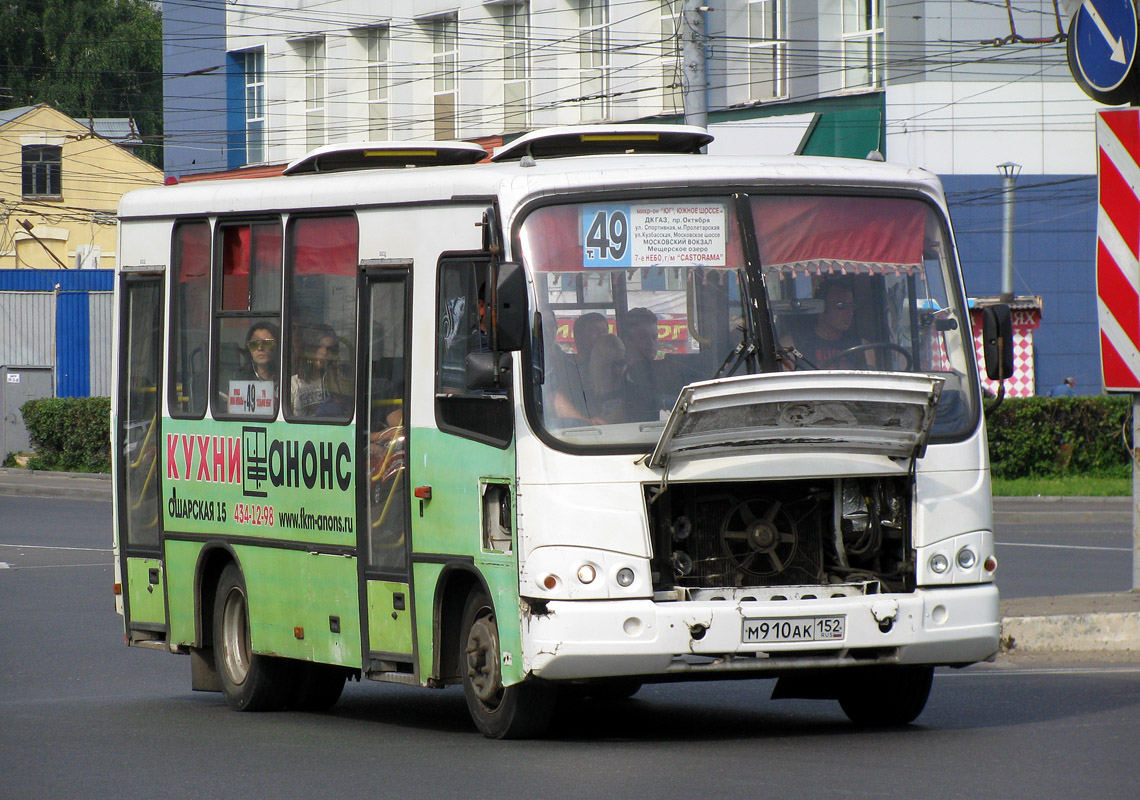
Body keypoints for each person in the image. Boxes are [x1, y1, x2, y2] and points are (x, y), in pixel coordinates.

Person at [783, 280, 868, 368]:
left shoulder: (862, 347)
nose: (850, 312)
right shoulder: (792, 345)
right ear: (821, 308)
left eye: (851, 306)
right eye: (841, 306)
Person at [619, 307, 668, 421]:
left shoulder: (659, 370)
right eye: (643, 336)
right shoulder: (624, 376)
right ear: (627, 339)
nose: (651, 343)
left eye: (654, 337)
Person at [290, 323, 338, 416]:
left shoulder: (338, 383)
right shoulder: (292, 384)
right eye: (319, 346)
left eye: (329, 348)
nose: (324, 353)